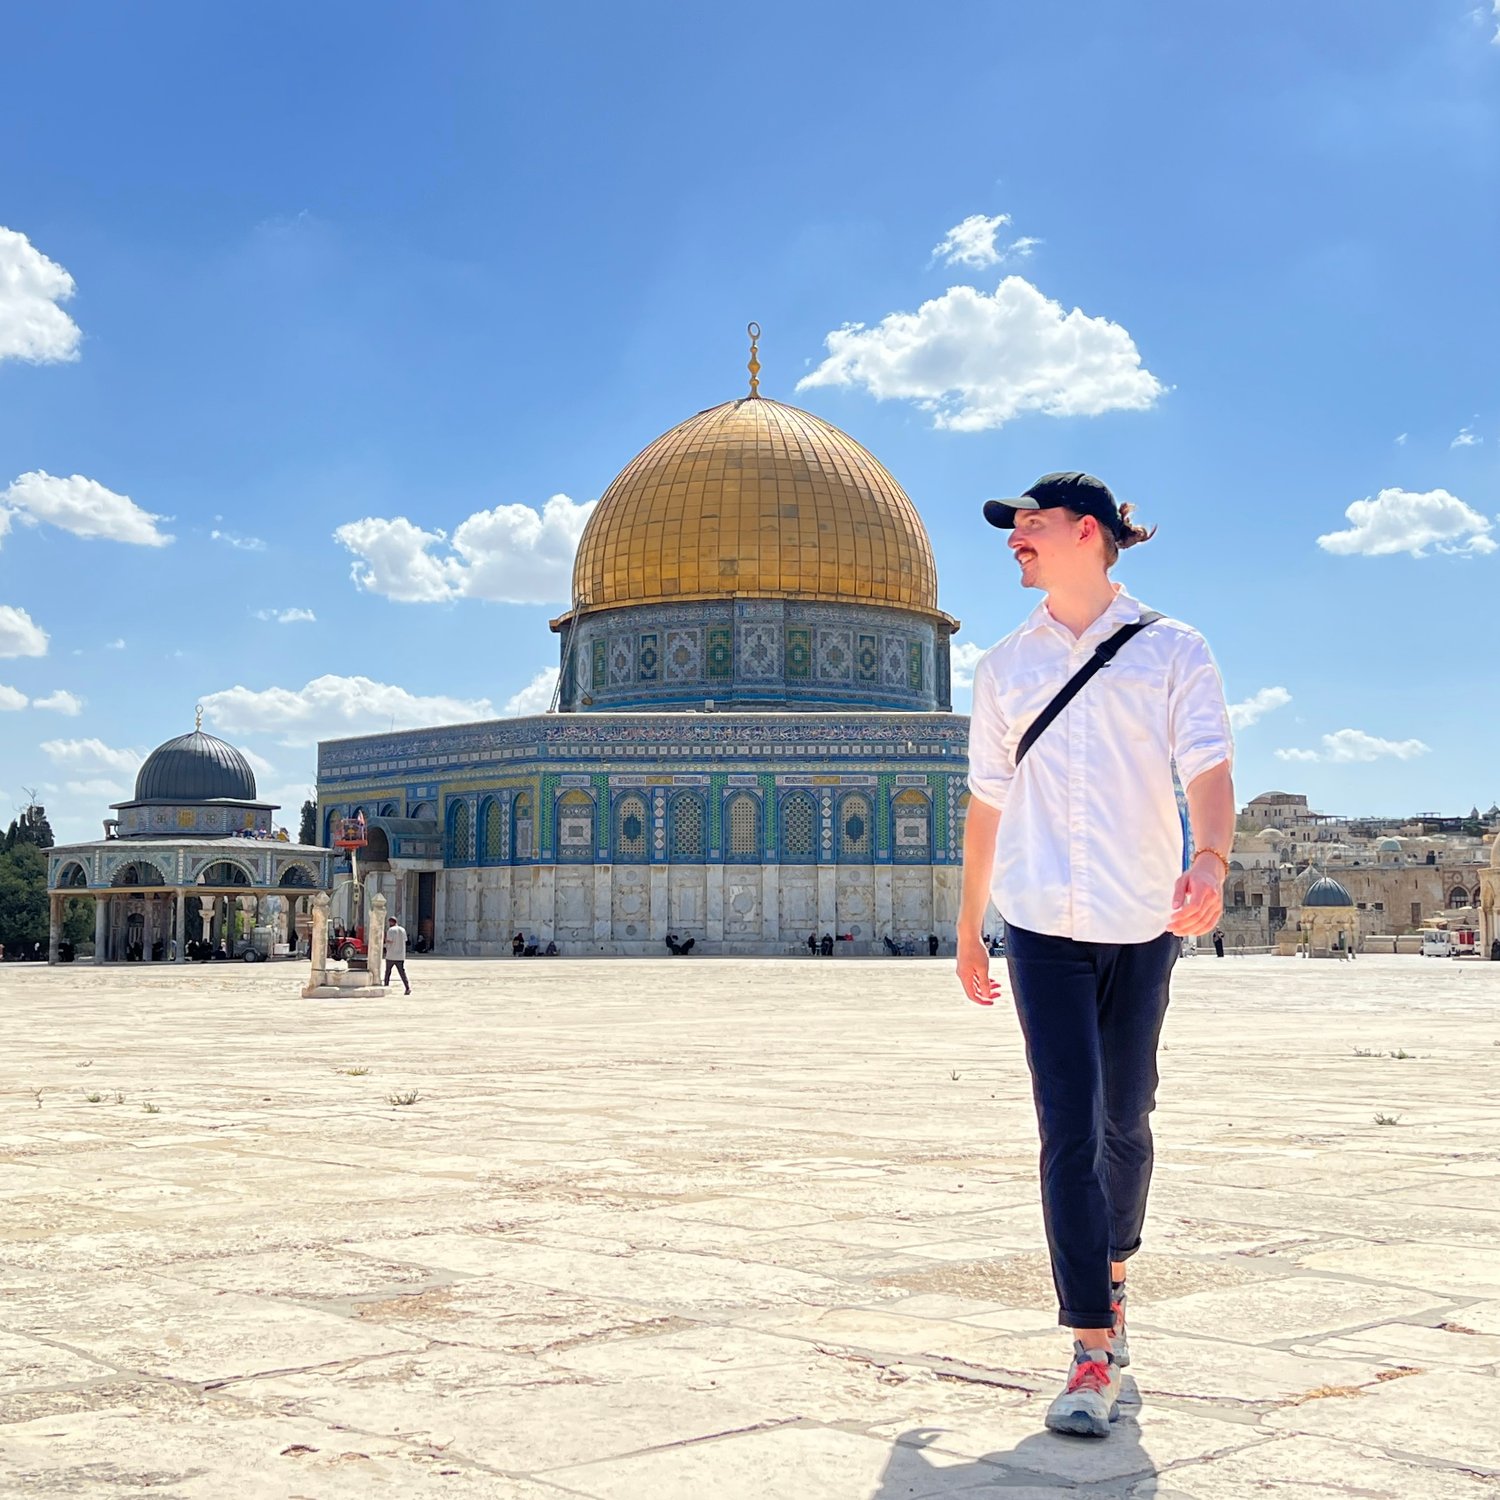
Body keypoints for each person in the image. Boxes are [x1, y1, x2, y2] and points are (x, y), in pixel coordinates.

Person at [956, 472, 1233, 1440]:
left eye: (1027, 526)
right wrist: (968, 926)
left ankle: (1114, 1271)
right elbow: (986, 808)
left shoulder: (1173, 651)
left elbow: (1207, 770)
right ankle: (1088, 1343)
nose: (1013, 542)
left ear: (1086, 534)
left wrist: (1210, 858)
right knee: (1066, 1128)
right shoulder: (1003, 669)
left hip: (1138, 922)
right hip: (1039, 927)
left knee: (1126, 1117)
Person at [384, 916, 411, 995]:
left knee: (388, 972)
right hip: (400, 955)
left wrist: (385, 946)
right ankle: (407, 988)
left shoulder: (391, 930)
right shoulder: (402, 930)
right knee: (402, 972)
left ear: (391, 922)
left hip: (391, 955)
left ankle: (386, 986)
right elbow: (405, 940)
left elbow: (389, 941)